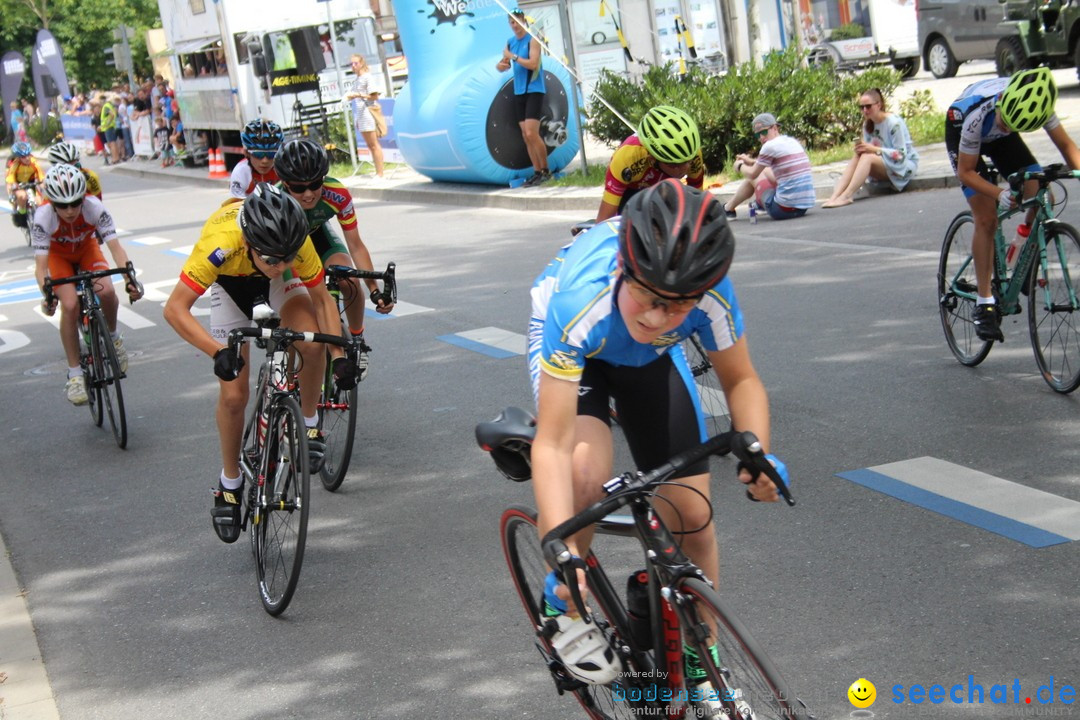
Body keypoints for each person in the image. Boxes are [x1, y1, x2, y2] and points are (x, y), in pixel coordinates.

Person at [525, 179, 788, 685]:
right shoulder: (580, 301)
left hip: (649, 361)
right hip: (583, 355)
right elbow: (553, 444)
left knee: (691, 513)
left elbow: (742, 380)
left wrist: (758, 453)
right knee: (584, 474)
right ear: (623, 269)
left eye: (679, 306)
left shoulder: (711, 294)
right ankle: (562, 603)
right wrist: (558, 546)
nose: (657, 316)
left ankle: (704, 664)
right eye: (648, 297)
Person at [162, 184, 340, 543]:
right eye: (273, 258)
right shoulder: (221, 242)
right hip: (231, 285)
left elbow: (321, 300)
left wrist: (339, 355)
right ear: (249, 245)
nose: (283, 264)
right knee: (234, 395)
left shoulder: (292, 248)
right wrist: (217, 352)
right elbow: (174, 308)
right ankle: (230, 483)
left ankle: (308, 424)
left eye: (288, 257)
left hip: (279, 289)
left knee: (310, 343)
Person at [946, 66, 1080, 342]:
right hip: (965, 139)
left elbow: (1067, 148)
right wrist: (997, 193)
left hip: (1001, 142)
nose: (1006, 126)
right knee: (987, 218)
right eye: (1005, 121)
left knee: (1043, 194)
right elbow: (966, 172)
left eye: (1013, 125)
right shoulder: (975, 114)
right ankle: (984, 303)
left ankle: (1021, 255)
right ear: (1003, 102)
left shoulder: (1039, 106)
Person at [274, 139, 395, 382]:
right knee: (298, 299)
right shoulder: (276, 202)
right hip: (289, 247)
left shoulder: (336, 194)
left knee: (348, 277)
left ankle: (357, 339)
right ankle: (284, 383)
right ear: (285, 184)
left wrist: (374, 290)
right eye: (298, 188)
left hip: (319, 237)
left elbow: (356, 245)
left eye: (315, 184)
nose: (308, 194)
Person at [33, 164, 142, 405]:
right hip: (58, 257)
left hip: (87, 250)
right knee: (70, 305)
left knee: (108, 290)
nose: (70, 210)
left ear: (84, 197)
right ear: (51, 203)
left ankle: (113, 338)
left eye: (75, 202)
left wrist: (129, 279)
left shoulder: (94, 207)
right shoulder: (43, 217)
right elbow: (41, 268)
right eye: (62, 205)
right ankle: (74, 375)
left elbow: (116, 249)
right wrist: (48, 294)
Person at [595, 105, 705, 222]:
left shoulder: (692, 152)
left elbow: (698, 204)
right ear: (652, 158)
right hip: (632, 192)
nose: (685, 168)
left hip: (666, 188)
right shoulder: (626, 158)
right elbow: (604, 221)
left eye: (688, 161)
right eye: (675, 165)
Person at [822, 88, 919, 208]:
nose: (865, 110)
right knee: (859, 155)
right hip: (884, 163)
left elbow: (900, 155)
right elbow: (869, 151)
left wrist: (874, 149)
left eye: (868, 106)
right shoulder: (868, 124)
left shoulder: (893, 123)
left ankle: (847, 196)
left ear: (879, 105)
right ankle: (835, 196)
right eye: (861, 107)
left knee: (867, 157)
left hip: (903, 167)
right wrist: (863, 148)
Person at [724, 113, 815, 220]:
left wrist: (740, 166)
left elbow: (752, 174)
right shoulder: (792, 141)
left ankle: (728, 208)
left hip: (782, 210)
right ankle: (756, 205)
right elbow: (771, 167)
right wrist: (752, 161)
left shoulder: (769, 146)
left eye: (764, 132)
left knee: (753, 176)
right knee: (765, 171)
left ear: (775, 128)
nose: (761, 138)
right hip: (802, 208)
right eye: (758, 135)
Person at [496, 8, 550, 187]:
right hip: (519, 91)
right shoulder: (510, 42)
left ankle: (545, 170)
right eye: (511, 22)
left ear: (523, 21)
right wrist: (502, 64)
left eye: (517, 21)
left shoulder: (532, 40)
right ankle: (536, 172)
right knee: (525, 136)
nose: (514, 25)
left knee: (531, 132)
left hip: (534, 89)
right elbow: (503, 64)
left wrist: (514, 57)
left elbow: (534, 64)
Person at [343, 55, 385, 178]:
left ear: (361, 63)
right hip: (361, 114)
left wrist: (358, 94)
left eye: (355, 63)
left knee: (374, 144)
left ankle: (380, 173)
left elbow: (375, 96)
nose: (353, 66)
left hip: (368, 112)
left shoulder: (367, 77)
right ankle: (378, 172)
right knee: (370, 145)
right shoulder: (357, 79)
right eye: (351, 64)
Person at [229, 119, 283, 198]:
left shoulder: (282, 169)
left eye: (271, 154)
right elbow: (236, 203)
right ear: (247, 153)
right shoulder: (241, 172)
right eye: (258, 154)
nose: (265, 160)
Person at [6, 142, 44, 228]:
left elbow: (40, 174)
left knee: (40, 202)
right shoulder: (15, 165)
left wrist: (43, 183)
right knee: (22, 196)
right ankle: (22, 215)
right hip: (19, 184)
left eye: (28, 155)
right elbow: (11, 178)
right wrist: (14, 186)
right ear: (19, 158)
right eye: (23, 157)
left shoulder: (33, 162)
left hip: (31, 182)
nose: (27, 158)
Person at [100, 94, 122, 165]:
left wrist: (107, 123)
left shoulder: (106, 106)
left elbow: (112, 115)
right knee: (114, 143)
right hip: (112, 126)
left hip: (108, 127)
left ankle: (115, 159)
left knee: (111, 143)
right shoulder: (110, 105)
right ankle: (117, 158)